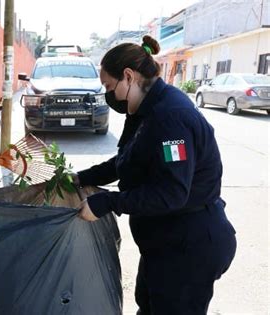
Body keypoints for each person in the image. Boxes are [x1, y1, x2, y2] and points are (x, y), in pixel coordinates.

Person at [75, 35, 237, 314]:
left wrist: (108, 203)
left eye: (108, 86)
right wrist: (83, 178)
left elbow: (171, 193)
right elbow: (128, 160)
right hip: (164, 244)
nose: (107, 94)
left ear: (128, 76)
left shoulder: (170, 118)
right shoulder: (145, 111)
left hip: (189, 247)